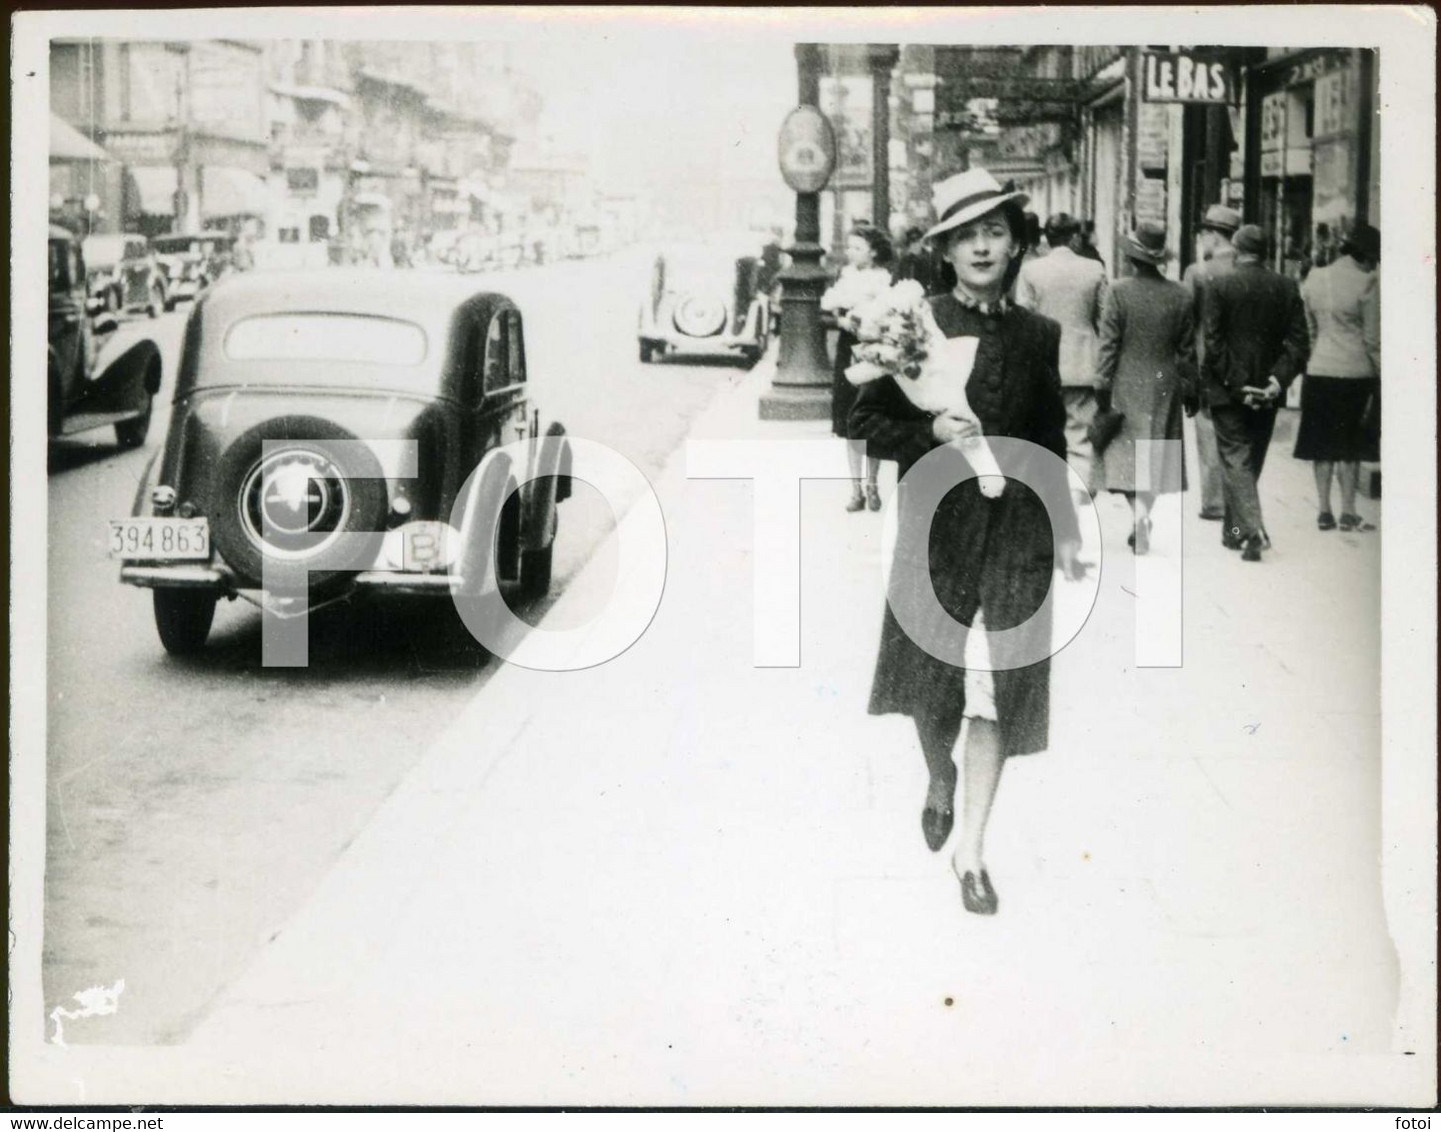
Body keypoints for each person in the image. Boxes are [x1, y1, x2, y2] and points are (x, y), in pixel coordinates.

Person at [849, 167, 1086, 916]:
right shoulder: (912, 323)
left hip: (1016, 535)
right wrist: (929, 430)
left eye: (995, 232)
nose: (982, 246)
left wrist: (1068, 531)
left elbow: (1049, 437)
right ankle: (938, 777)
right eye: (966, 236)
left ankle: (973, 852)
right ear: (945, 251)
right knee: (933, 683)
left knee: (994, 693)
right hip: (936, 530)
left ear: (1016, 244)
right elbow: (864, 422)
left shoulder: (1039, 335)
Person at [1200, 224, 1310, 562]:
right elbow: (1299, 341)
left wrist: (1235, 383)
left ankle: (1250, 530)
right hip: (1268, 388)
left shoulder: (1219, 284)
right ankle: (1237, 532)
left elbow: (1213, 342)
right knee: (1251, 459)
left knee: (1236, 458)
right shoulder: (1286, 286)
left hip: (1227, 387)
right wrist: (1277, 380)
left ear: (1236, 248)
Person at [1093, 221, 1197, 554]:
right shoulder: (1181, 293)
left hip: (1127, 379)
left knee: (1126, 456)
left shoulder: (1118, 292)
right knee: (1156, 452)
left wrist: (1101, 384)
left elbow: (1108, 345)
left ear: (1133, 259)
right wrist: (1191, 388)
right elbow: (1187, 350)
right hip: (1165, 381)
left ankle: (1138, 517)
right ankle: (1143, 517)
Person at [1014, 211, 1109, 504]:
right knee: (1080, 432)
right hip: (1084, 360)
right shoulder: (1094, 270)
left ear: (1047, 237)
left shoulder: (1032, 271)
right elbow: (1105, 319)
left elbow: (1023, 317)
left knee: (1045, 426)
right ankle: (1079, 493)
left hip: (1043, 362)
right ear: (1074, 237)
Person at [1294, 222, 1380, 532]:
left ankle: (1324, 510)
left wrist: (1318, 355)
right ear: (1366, 256)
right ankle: (1348, 511)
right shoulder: (1368, 282)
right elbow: (1372, 340)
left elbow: (1311, 329)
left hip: (1320, 370)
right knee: (1350, 443)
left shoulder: (1315, 278)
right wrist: (1382, 375)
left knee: (1321, 443)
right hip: (1356, 372)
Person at [821, 225, 894, 512]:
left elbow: (894, 314)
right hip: (847, 347)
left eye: (858, 248)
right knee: (850, 417)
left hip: (874, 349)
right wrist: (841, 321)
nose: (851, 253)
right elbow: (825, 312)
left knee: (870, 415)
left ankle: (872, 485)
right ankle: (855, 489)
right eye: (849, 248)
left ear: (873, 251)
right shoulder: (843, 277)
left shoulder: (886, 279)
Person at [1182, 203, 1242, 522]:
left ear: (1214, 236)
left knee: (1209, 432)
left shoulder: (1198, 273)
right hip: (1244, 365)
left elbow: (1185, 322)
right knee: (1238, 433)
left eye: (1204, 233)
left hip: (1208, 363)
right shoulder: (1248, 270)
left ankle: (1215, 502)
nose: (1202, 239)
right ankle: (1239, 499)